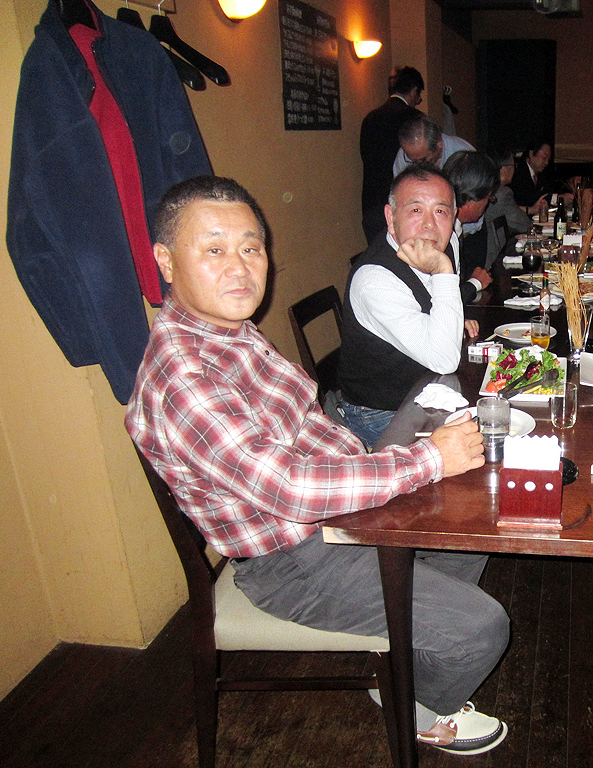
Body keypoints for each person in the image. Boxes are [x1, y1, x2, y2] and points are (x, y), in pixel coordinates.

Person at [126, 175, 510, 756]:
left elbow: (307, 427)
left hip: (331, 519)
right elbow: (289, 488)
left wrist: (384, 469)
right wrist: (426, 458)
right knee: (482, 628)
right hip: (291, 560)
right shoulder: (186, 376)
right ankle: (412, 702)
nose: (239, 268)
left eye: (250, 248)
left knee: (473, 526)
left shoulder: (230, 334)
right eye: (214, 250)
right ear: (165, 261)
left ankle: (405, 648)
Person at [337, 166, 476, 448]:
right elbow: (444, 359)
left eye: (441, 211)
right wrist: (443, 271)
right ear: (391, 218)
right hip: (382, 412)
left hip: (429, 387)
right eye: (415, 210)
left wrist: (449, 320)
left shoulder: (447, 241)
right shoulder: (374, 279)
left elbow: (432, 305)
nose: (429, 225)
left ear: (454, 216)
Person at [359, 65, 425, 242]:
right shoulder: (416, 119)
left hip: (373, 202)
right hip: (406, 202)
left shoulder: (371, 118)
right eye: (418, 95)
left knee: (380, 252)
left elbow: (366, 157)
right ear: (414, 90)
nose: (418, 99)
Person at [443, 150, 499, 303]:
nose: (487, 204)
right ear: (470, 198)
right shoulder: (443, 235)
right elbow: (444, 300)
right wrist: (474, 283)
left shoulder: (454, 226)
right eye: (488, 197)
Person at [484, 148, 532, 268]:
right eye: (513, 166)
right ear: (504, 169)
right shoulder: (502, 193)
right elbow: (525, 224)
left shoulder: (487, 189)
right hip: (494, 260)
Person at [392, 114, 474, 176]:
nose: (417, 164)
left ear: (439, 144)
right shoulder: (405, 153)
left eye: (422, 159)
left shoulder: (463, 153)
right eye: (411, 160)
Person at [511, 140, 554, 213]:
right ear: (531, 154)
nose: (546, 162)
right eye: (544, 157)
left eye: (548, 159)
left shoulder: (540, 175)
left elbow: (546, 194)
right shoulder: (518, 173)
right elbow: (530, 199)